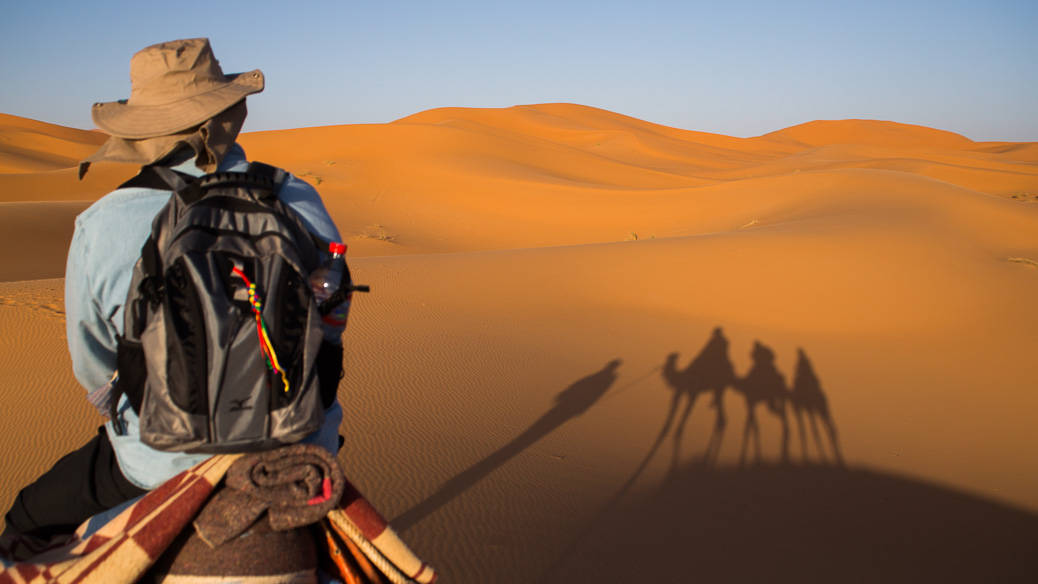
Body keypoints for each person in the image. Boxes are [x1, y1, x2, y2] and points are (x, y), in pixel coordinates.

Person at [1, 38, 345, 559]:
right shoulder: (297, 197)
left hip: (158, 457)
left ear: (141, 126)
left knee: (28, 516)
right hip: (299, 439)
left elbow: (92, 360)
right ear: (234, 113)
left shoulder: (104, 222)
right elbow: (334, 321)